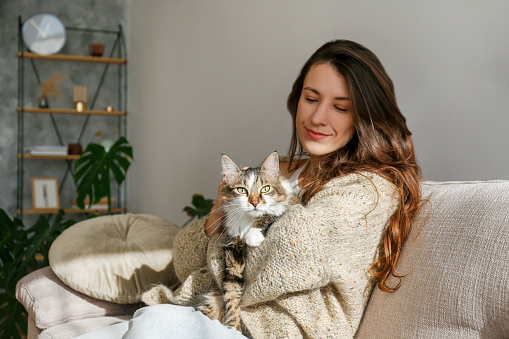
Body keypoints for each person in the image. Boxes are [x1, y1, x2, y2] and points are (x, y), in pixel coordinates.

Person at [78, 39, 421, 339]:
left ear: (365, 116)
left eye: (340, 107)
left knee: (156, 324)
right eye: (310, 98)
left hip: (267, 330)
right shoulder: (281, 172)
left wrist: (231, 232)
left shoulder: (368, 189)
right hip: (215, 315)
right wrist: (219, 212)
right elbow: (184, 261)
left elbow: (283, 257)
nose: (318, 117)